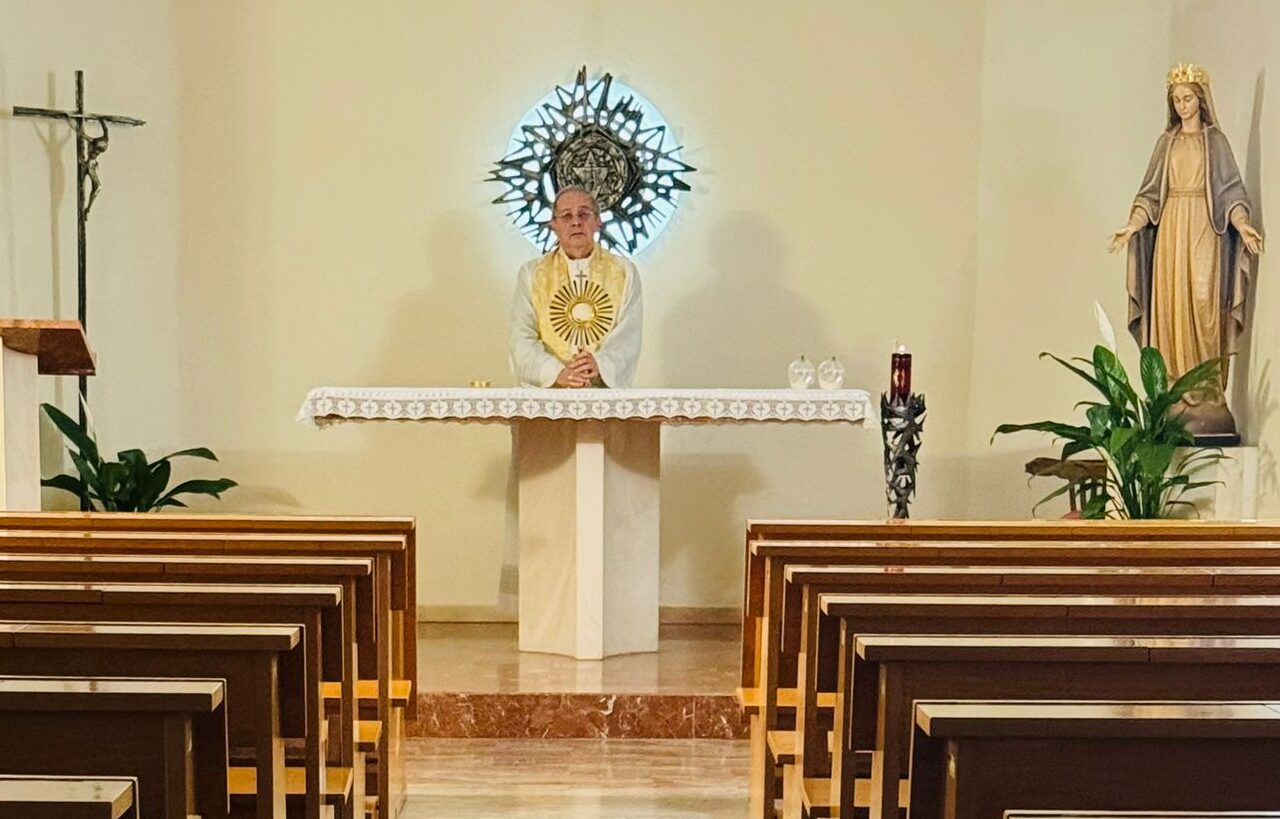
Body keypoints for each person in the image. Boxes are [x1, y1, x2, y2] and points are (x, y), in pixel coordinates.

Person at [1109, 63, 1263, 435]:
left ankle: (1206, 393)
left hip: (1205, 231)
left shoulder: (1215, 142)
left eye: (1188, 99)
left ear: (1201, 100)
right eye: (1176, 100)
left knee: (1204, 303)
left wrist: (1242, 224)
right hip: (1170, 233)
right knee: (1171, 308)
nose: (1182, 106)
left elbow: (1231, 192)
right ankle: (1173, 394)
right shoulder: (1167, 143)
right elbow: (1149, 195)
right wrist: (1132, 226)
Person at [509, 185, 643, 388]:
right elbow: (521, 337)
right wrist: (556, 372)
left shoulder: (625, 273)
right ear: (553, 225)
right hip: (548, 397)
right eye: (566, 216)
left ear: (598, 221)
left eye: (584, 214)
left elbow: (628, 335)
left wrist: (599, 364)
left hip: (602, 396)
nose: (576, 222)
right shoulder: (531, 274)